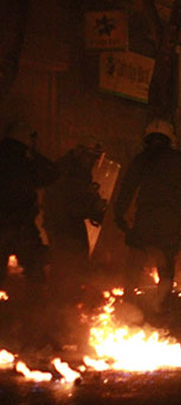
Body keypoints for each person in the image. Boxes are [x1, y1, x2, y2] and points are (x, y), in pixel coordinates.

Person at [113, 119, 181, 313]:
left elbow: (127, 188)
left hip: (146, 214)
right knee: (166, 259)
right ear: (170, 139)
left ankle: (128, 302)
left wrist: (119, 215)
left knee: (136, 257)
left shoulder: (142, 158)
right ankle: (163, 304)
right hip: (169, 215)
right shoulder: (178, 158)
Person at [0, 121, 59, 285]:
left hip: (5, 227)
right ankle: (35, 308)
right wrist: (35, 153)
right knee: (35, 273)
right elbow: (53, 174)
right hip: (22, 228)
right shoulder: (24, 165)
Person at [43, 144, 107, 271]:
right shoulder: (68, 171)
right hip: (61, 224)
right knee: (69, 263)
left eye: (96, 158)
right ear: (80, 153)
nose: (93, 162)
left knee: (76, 261)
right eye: (90, 157)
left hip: (68, 222)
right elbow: (72, 203)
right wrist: (94, 210)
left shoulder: (80, 171)